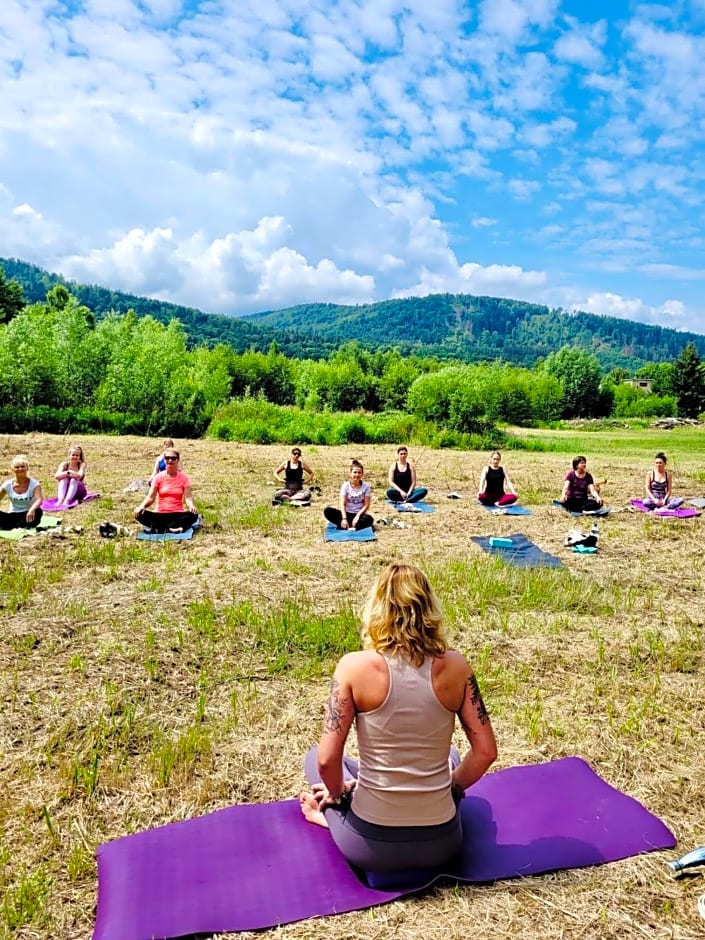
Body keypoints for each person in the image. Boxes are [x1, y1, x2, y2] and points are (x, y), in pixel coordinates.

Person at [300, 563, 497, 873]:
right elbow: (486, 752)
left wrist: (337, 796)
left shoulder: (353, 667)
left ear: (376, 609)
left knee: (314, 760)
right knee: (451, 756)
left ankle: (328, 819)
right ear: (429, 608)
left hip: (371, 846)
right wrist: (451, 787)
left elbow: (327, 760)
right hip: (442, 844)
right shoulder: (457, 668)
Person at [134, 447, 199, 533]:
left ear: (178, 460)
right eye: (167, 458)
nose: (170, 460)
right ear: (164, 460)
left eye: (173, 458)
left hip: (177, 514)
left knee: (194, 515)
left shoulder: (185, 478)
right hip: (160, 514)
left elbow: (188, 497)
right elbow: (151, 497)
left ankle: (162, 528)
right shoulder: (157, 478)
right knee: (139, 514)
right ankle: (171, 528)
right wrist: (142, 506)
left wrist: (191, 506)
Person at [324, 460, 373, 531]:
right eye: (355, 472)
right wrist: (344, 518)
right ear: (350, 473)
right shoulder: (345, 485)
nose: (357, 475)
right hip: (347, 514)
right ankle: (347, 524)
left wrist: (357, 517)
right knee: (327, 511)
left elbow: (366, 505)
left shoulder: (366, 486)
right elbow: (343, 504)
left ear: (362, 474)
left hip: (359, 515)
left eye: (359, 472)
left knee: (369, 519)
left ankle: (350, 526)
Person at [0, 455, 44, 530]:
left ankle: (13, 526)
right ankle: (15, 526)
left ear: (27, 468)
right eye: (17, 467)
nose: (20, 469)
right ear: (12, 469)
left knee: (38, 511)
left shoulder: (34, 484)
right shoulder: (7, 484)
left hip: (28, 514)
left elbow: (39, 499)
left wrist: (32, 509)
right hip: (12, 515)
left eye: (22, 466)